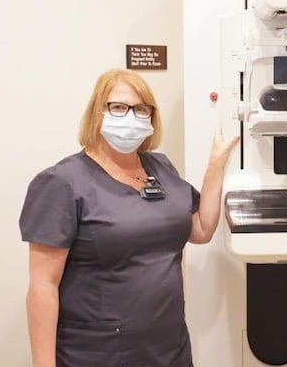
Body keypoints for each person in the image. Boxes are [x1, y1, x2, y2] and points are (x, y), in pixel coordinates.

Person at [18, 68, 238, 367]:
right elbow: (43, 285)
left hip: (168, 348)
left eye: (141, 109)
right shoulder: (63, 182)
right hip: (100, 353)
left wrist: (216, 164)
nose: (131, 117)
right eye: (118, 107)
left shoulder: (159, 167)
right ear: (98, 112)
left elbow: (200, 229)